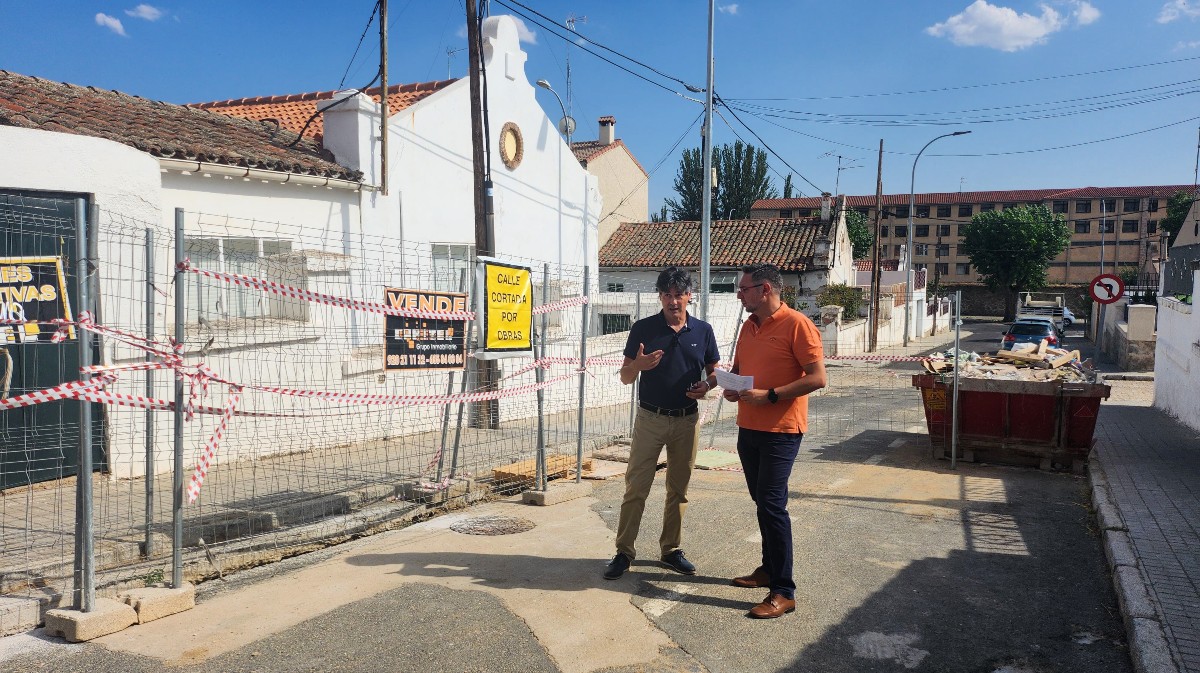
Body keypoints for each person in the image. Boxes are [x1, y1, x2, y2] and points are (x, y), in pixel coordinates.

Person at [722, 263, 827, 618]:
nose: (739, 294)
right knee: (761, 502)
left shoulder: (798, 324)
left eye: (744, 288)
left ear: (765, 289)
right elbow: (739, 371)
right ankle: (767, 569)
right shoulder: (748, 326)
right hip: (748, 428)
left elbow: (817, 378)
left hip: (781, 431)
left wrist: (770, 395)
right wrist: (732, 388)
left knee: (772, 505)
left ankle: (784, 590)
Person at [604, 267, 721, 580]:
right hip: (650, 419)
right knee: (636, 488)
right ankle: (623, 553)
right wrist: (638, 365)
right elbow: (626, 377)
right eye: (667, 295)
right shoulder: (644, 329)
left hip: (687, 421)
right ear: (660, 296)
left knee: (679, 489)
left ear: (689, 296)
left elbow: (715, 370)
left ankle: (671, 550)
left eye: (679, 295)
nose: (673, 301)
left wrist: (707, 386)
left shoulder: (703, 331)